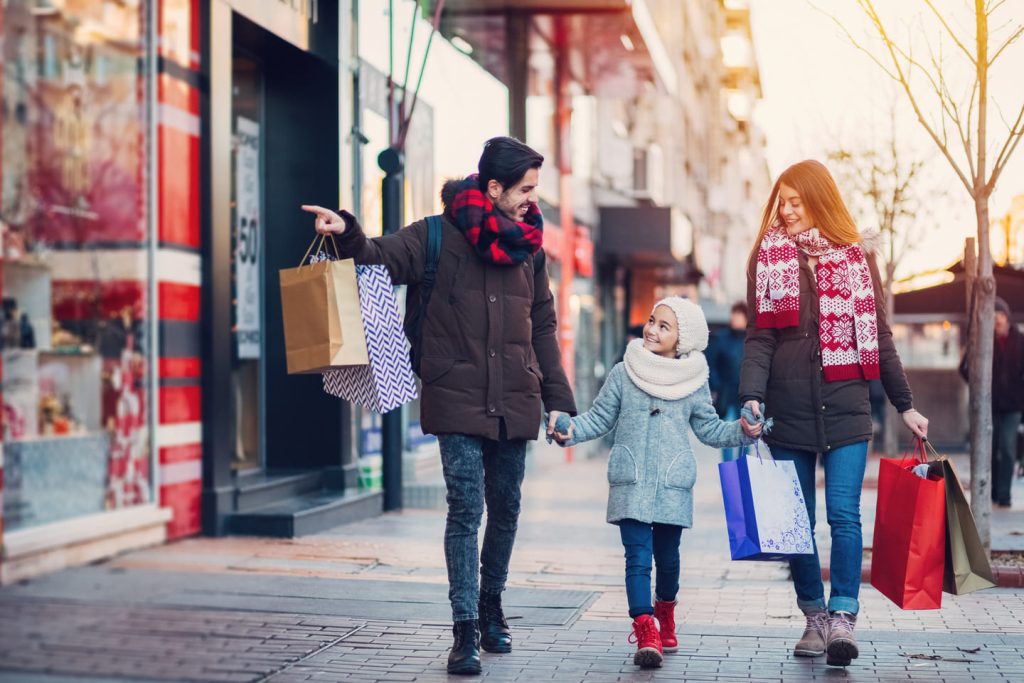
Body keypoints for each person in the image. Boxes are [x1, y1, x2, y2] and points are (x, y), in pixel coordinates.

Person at [301, 137, 576, 676]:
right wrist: (347, 232)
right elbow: (377, 255)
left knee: (508, 508)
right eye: (524, 189)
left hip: (514, 396)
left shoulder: (530, 248)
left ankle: (492, 605)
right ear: (493, 188)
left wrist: (557, 402)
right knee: (465, 509)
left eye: (534, 189)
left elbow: (542, 325)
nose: (531, 199)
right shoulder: (434, 235)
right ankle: (465, 629)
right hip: (454, 394)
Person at [738, 160, 928, 668]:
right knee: (795, 523)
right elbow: (760, 335)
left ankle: (843, 615)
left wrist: (904, 404)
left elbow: (880, 337)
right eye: (782, 201)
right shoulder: (768, 257)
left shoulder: (857, 258)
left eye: (797, 201)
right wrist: (751, 396)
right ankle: (813, 618)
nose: (787, 210)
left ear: (820, 200)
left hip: (846, 406)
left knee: (844, 515)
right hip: (788, 407)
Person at [552, 297, 757, 669]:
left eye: (665, 326)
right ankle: (645, 627)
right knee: (637, 558)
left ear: (684, 339)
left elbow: (710, 429)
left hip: (671, 483)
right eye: (651, 320)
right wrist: (570, 430)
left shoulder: (694, 382)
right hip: (630, 479)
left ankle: (665, 611)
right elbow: (599, 418)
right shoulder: (623, 372)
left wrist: (742, 431)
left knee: (668, 559)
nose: (652, 329)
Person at [959, 296, 1024, 508]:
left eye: (1000, 316)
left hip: (1013, 405)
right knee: (991, 447)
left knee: (1006, 447)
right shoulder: (982, 340)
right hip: (989, 404)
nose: (997, 320)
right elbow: (964, 368)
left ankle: (1004, 496)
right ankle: (995, 493)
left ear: (1006, 317)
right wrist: (978, 387)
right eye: (994, 316)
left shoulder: (1020, 340)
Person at [708, 301, 749, 461]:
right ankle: (729, 469)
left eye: (739, 315)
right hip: (726, 392)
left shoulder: (752, 340)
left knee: (747, 434)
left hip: (746, 395)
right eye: (734, 315)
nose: (735, 319)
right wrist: (716, 386)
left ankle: (744, 467)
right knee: (726, 431)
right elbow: (711, 364)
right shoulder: (721, 338)